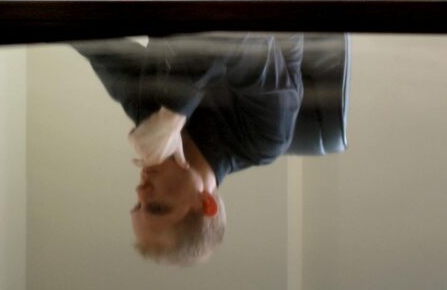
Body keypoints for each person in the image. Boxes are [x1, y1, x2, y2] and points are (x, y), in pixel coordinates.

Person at [74, 33, 304, 264]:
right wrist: (172, 116)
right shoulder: (264, 139)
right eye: (158, 207)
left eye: (138, 204)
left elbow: (97, 42)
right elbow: (235, 30)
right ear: (206, 202)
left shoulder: (148, 117)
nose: (140, 192)